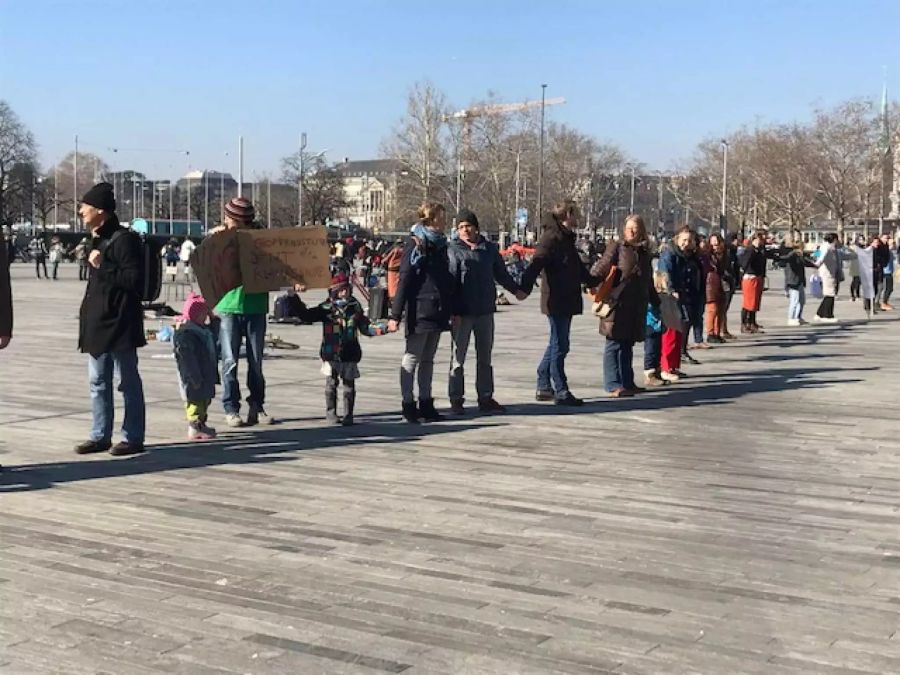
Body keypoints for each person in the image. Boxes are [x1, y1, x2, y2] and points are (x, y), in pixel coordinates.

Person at [75, 182, 146, 457]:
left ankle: (132, 435)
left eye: (85, 206)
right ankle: (100, 434)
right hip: (97, 322)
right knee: (98, 381)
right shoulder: (97, 238)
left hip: (120, 322)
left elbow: (133, 280)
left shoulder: (123, 239)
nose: (81, 211)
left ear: (100, 211)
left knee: (127, 380)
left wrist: (101, 265)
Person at [446, 209, 526, 414]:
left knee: (485, 357)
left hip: (484, 310)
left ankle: (485, 396)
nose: (465, 230)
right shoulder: (452, 249)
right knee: (458, 358)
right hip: (461, 312)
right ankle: (456, 398)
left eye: (468, 226)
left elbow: (501, 274)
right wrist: (449, 309)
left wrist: (516, 290)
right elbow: (449, 282)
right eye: (461, 227)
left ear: (476, 227)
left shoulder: (488, 249)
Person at [520, 200, 599, 406]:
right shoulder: (552, 238)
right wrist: (523, 288)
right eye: (576, 213)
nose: (578, 217)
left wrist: (594, 281)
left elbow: (577, 268)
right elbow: (536, 263)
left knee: (556, 343)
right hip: (556, 299)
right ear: (568, 214)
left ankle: (543, 383)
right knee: (561, 345)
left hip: (567, 297)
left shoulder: (565, 238)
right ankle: (561, 390)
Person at [388, 202, 454, 424]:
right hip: (420, 308)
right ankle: (408, 404)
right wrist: (395, 315)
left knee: (429, 359)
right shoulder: (416, 243)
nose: (445, 220)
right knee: (413, 357)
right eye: (441, 216)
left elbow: (446, 278)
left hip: (438, 308)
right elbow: (404, 279)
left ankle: (426, 403)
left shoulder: (441, 243)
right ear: (431, 218)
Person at [297, 273, 390, 426]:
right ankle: (331, 412)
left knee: (349, 385)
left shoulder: (355, 308)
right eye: (340, 290)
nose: (344, 293)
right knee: (331, 384)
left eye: (346, 289)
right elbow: (306, 316)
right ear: (334, 292)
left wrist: (383, 328)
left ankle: (348, 414)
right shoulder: (326, 308)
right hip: (331, 352)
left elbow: (366, 328)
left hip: (350, 352)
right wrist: (293, 298)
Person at [212, 198, 273, 428]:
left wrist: (295, 281)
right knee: (229, 361)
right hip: (228, 305)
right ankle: (231, 407)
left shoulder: (261, 240)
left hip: (256, 305)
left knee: (256, 361)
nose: (228, 222)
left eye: (232, 218)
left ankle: (256, 406)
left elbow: (279, 266)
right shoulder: (219, 239)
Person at [590, 214, 657, 397]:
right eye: (629, 228)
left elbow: (647, 280)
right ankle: (613, 384)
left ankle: (627, 382)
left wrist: (655, 301)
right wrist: (591, 284)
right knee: (613, 343)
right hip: (616, 304)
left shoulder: (644, 253)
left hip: (635, 305)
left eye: (635, 228)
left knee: (627, 344)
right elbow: (601, 267)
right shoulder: (617, 248)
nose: (632, 231)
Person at [173, 293, 219, 441]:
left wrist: (213, 318)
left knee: (204, 400)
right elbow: (186, 359)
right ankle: (195, 427)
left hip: (206, 372)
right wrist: (193, 376)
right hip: (194, 375)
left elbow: (215, 332)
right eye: (204, 313)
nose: (206, 316)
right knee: (195, 402)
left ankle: (201, 424)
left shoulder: (202, 330)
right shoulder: (186, 334)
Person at [657, 227, 699, 380]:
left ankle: (674, 366)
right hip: (670, 297)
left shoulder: (686, 256)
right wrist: (671, 290)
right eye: (684, 240)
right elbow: (664, 274)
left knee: (679, 332)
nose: (686, 243)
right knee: (670, 333)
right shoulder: (669, 253)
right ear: (677, 239)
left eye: (689, 241)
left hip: (683, 296)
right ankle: (666, 368)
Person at [777, 231, 817, 326]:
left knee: (802, 301)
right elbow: (784, 259)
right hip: (793, 280)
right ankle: (791, 318)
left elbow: (806, 262)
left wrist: (815, 265)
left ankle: (798, 317)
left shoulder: (799, 255)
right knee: (794, 300)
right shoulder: (791, 254)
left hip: (800, 280)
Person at [738, 230, 770, 333]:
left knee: (755, 302)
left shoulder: (760, 249)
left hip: (758, 276)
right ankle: (744, 324)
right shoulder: (750, 249)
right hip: (750, 277)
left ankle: (752, 322)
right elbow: (745, 263)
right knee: (748, 303)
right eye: (761, 238)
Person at [702, 233, 729, 341]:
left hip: (721, 283)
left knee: (720, 309)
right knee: (712, 309)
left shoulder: (723, 255)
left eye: (717, 243)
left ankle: (717, 332)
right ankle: (710, 332)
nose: (715, 246)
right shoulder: (707, 255)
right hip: (710, 283)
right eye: (713, 243)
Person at [813, 233, 840, 323]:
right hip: (827, 273)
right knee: (830, 294)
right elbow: (821, 257)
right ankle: (827, 315)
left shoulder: (823, 246)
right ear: (834, 240)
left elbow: (816, 255)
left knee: (828, 294)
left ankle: (819, 313)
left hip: (827, 272)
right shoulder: (828, 248)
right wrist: (817, 264)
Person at [880, 233, 895, 310]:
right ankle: (883, 303)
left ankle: (885, 302)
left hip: (889, 271)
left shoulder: (889, 250)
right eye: (885, 238)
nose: (887, 240)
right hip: (885, 271)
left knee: (890, 288)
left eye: (888, 238)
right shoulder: (883, 249)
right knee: (888, 288)